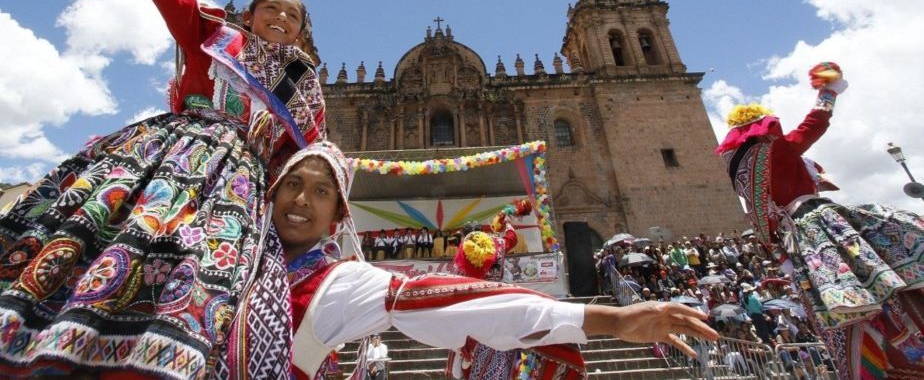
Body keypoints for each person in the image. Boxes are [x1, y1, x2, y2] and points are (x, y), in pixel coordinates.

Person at [0, 0, 328, 379]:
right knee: (103, 235)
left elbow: (300, 160)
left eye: (292, 14)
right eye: (271, 8)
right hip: (166, 157)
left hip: (238, 186)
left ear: (302, 31)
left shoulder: (304, 90)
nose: (281, 16)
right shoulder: (213, 39)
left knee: (197, 276)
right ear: (249, 16)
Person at [232, 140, 717, 380]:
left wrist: (612, 320)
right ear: (270, 193)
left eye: (321, 191)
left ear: (339, 213)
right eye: (292, 185)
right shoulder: (219, 257)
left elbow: (458, 301)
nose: (301, 200)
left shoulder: (339, 284)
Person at [716, 62, 924, 380]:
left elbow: (767, 225)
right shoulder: (777, 152)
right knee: (899, 237)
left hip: (796, 244)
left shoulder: (744, 174)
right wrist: (828, 92)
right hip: (819, 225)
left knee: (843, 308)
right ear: (763, 128)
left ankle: (874, 350)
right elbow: (813, 126)